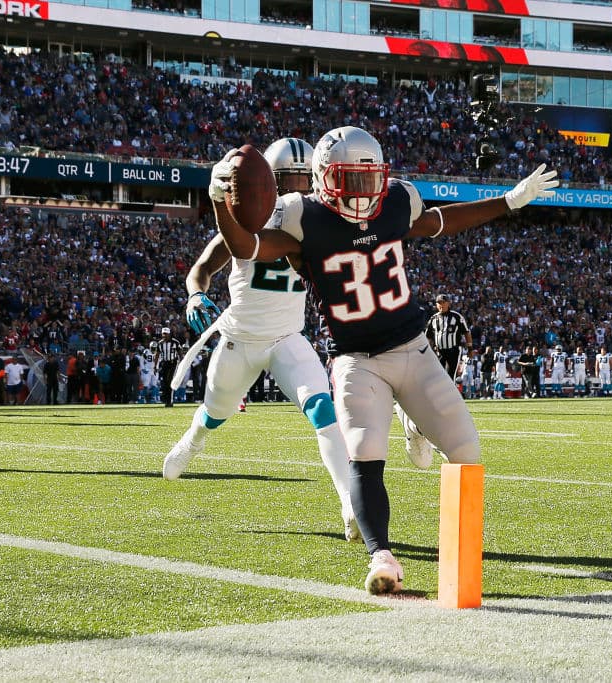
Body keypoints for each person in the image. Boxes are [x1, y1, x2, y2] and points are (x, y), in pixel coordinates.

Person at [209, 125, 558, 594]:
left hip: (412, 348)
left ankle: (451, 533)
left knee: (466, 452)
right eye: (349, 180)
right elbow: (246, 247)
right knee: (364, 453)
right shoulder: (301, 216)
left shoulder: (395, 199)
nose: (361, 192)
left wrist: (509, 202)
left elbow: (439, 221)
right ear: (323, 178)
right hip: (355, 359)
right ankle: (383, 557)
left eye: (368, 179)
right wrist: (218, 202)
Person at [162, 137, 359, 542]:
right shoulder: (242, 224)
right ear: (263, 183)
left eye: (305, 181)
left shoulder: (316, 223)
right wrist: (195, 295)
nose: (297, 190)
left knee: (324, 410)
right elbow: (200, 269)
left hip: (288, 337)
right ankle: (194, 439)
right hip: (239, 339)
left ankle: (349, 504)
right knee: (215, 411)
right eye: (287, 180)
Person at [425, 294, 471, 380]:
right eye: (439, 303)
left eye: (443, 302)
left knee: (450, 376)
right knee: (438, 376)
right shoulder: (433, 319)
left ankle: (450, 393)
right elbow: (428, 337)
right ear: (436, 305)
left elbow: (466, 332)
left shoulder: (456, 317)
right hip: (439, 352)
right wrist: (428, 351)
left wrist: (470, 348)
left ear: (448, 303)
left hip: (453, 351)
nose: (441, 305)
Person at [154, 327, 183, 407]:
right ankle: (166, 400)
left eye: (166, 334)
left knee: (170, 381)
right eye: (163, 334)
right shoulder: (160, 343)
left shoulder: (175, 342)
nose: (164, 335)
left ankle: (170, 401)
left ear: (169, 334)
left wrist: (182, 364)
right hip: (164, 363)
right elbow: (157, 355)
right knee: (164, 383)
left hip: (173, 363)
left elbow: (180, 354)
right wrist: (155, 366)